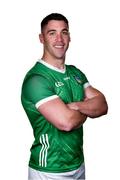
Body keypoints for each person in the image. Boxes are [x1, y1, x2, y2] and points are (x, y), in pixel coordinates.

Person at [21, 13, 108, 180]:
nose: (59, 39)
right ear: (42, 38)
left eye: (64, 32)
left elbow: (102, 105)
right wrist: (88, 108)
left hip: (78, 164)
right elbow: (66, 123)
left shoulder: (75, 72)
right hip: (48, 169)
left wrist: (75, 106)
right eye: (52, 33)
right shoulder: (37, 79)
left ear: (69, 37)